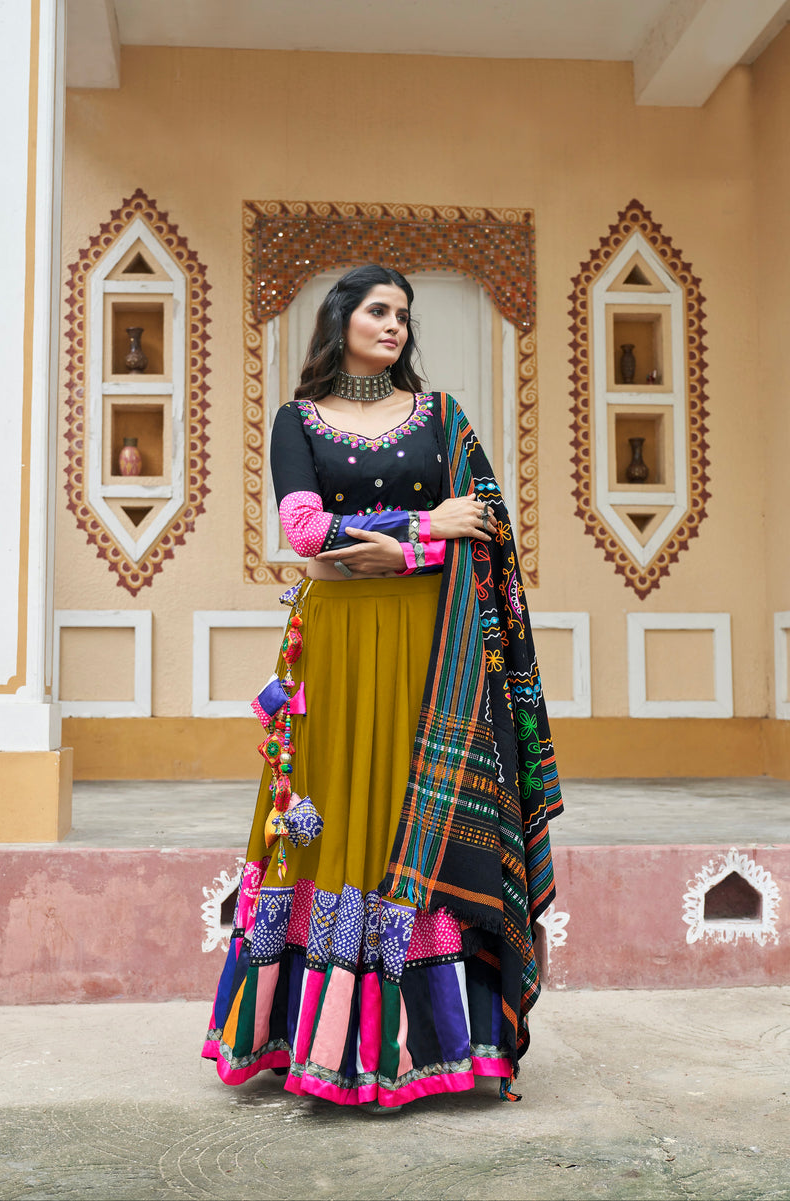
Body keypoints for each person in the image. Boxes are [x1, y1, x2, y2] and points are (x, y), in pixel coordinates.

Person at [203, 265, 562, 1110]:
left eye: (404, 314)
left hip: (431, 647)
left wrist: (396, 546)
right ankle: (312, 1042)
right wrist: (423, 524)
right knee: (334, 818)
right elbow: (304, 534)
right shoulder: (298, 420)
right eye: (377, 310)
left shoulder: (441, 419)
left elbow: (481, 525)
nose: (395, 325)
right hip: (335, 647)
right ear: (342, 319)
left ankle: (443, 1044)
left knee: (419, 818)